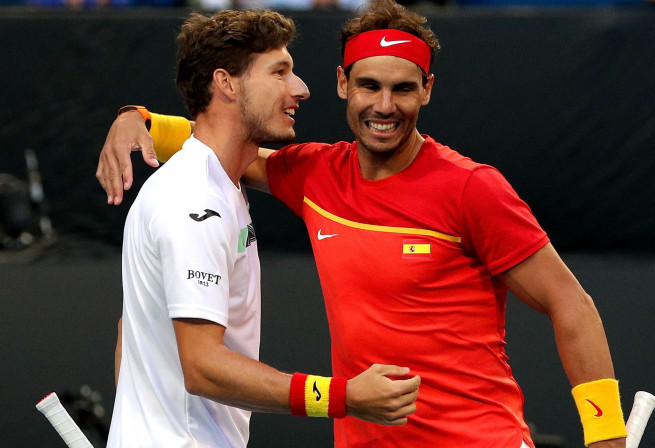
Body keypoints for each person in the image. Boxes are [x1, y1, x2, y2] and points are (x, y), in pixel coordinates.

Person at [97, 1, 627, 446]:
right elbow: (220, 139)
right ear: (342, 83)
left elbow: (571, 304)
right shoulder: (313, 174)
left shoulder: (473, 187)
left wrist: (607, 436)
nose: (385, 106)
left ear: (427, 90)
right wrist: (135, 120)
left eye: (403, 89)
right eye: (369, 85)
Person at [107, 9, 421, 448]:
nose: (301, 89)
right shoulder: (195, 201)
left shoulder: (216, 184)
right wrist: (341, 396)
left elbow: (133, 329)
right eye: (280, 72)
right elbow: (202, 367)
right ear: (227, 83)